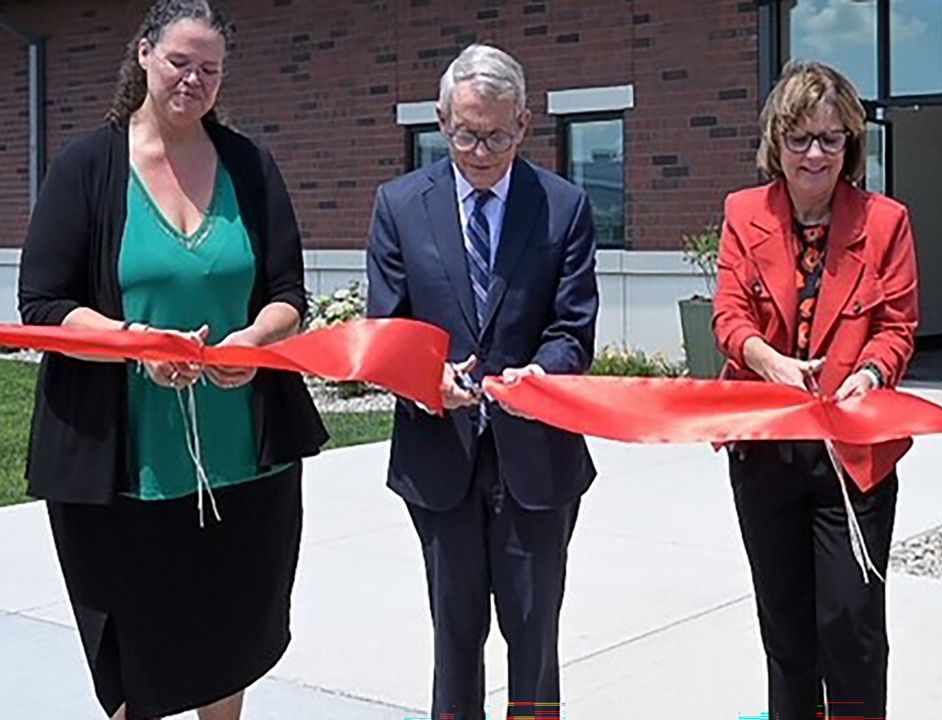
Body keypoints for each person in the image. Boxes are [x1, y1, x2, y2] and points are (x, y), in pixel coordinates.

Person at [16, 1, 328, 718]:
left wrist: (254, 341)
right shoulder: (87, 166)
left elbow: (287, 293)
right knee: (138, 659)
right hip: (123, 468)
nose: (194, 79)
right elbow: (44, 301)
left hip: (248, 462)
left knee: (233, 639)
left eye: (210, 68)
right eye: (180, 61)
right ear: (145, 55)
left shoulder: (249, 165)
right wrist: (137, 345)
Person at [365, 43, 598, 720]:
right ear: (442, 120)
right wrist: (425, 378)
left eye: (497, 134)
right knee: (455, 637)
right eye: (466, 132)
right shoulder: (400, 205)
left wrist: (540, 375)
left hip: (538, 461)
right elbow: (388, 327)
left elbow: (571, 327)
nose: (480, 149)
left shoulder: (564, 206)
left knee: (534, 640)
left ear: (525, 124)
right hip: (440, 458)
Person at [712, 60, 919, 719]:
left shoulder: (885, 222)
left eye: (832, 138)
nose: (815, 154)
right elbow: (727, 315)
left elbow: (897, 327)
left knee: (850, 627)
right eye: (801, 138)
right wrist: (766, 360)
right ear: (777, 141)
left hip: (849, 454)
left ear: (851, 144)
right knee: (787, 630)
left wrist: (869, 375)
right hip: (767, 450)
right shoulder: (743, 213)